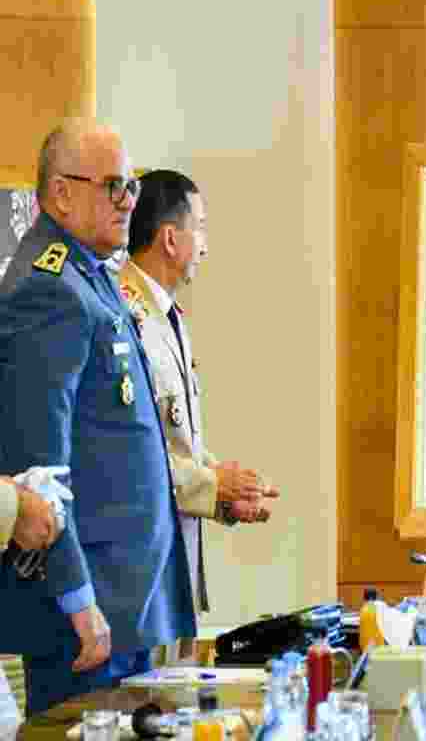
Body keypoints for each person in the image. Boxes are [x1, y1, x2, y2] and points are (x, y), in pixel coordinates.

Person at [0, 120, 196, 713]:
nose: (128, 201)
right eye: (113, 186)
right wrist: (77, 598)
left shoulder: (93, 278)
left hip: (127, 602)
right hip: (89, 617)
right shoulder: (49, 288)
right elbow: (40, 465)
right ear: (60, 194)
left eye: (130, 186)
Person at [120, 169, 277, 623]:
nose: (205, 245)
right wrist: (212, 485)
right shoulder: (122, 315)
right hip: (138, 572)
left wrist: (224, 486)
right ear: (171, 239)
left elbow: (171, 434)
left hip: (175, 567)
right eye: (201, 227)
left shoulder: (166, 314)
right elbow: (128, 451)